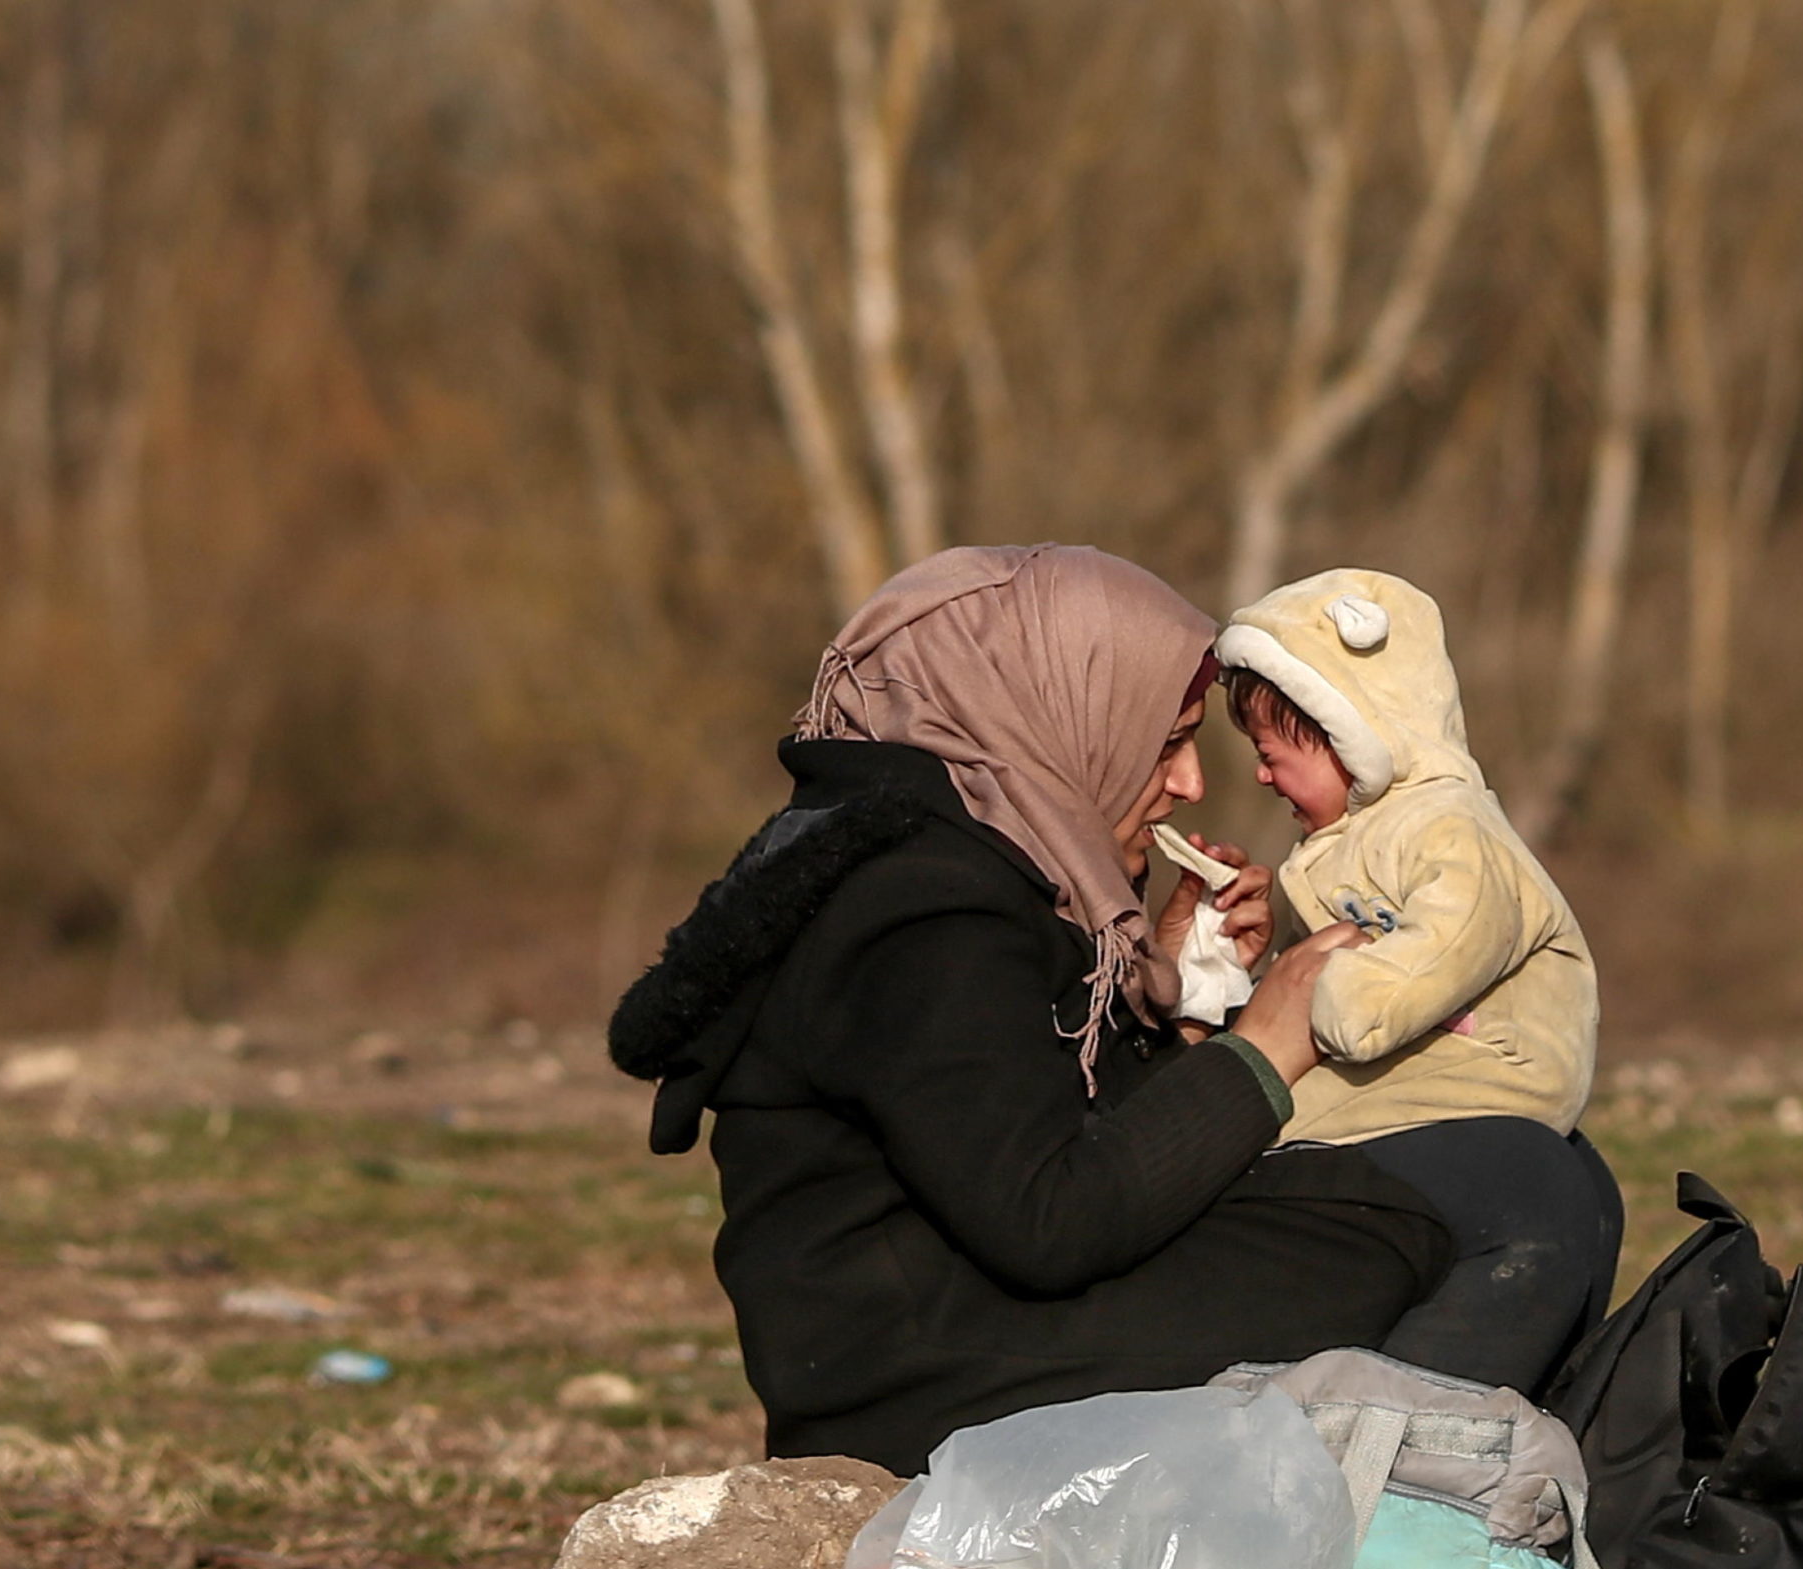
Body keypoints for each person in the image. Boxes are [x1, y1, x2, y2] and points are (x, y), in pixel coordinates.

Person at [609, 544, 1467, 1477]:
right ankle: (1419, 1507)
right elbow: (1050, 1220)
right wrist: (1263, 1047)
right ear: (1062, 717)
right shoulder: (917, 907)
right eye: (1167, 742)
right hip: (916, 1381)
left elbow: (1042, 1136)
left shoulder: (970, 864)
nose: (1190, 784)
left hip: (964, 1320)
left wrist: (1182, 1008)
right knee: (1405, 1229)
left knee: (1434, 1184)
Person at [1215, 567, 1618, 1395]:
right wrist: (1250, 966)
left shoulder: (1450, 828)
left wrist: (1337, 996)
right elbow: (1317, 967)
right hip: (1401, 1062)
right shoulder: (1346, 840)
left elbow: (1441, 945)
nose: (1261, 776)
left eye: (1270, 754)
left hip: (1483, 1072)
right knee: (1248, 1110)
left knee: (1255, 1131)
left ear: (1349, 729)